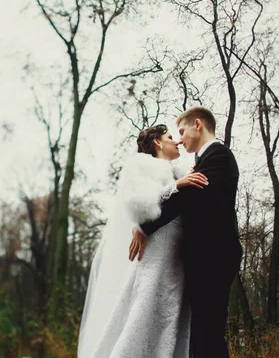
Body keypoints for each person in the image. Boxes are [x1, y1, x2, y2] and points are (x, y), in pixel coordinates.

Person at [78, 124, 208, 358]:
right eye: (170, 137)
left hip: (178, 253)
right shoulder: (141, 165)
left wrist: (182, 182)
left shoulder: (178, 172)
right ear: (158, 142)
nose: (177, 141)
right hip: (156, 248)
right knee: (143, 310)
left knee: (170, 315)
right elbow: (138, 205)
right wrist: (175, 187)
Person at [129, 107, 243, 358]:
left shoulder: (218, 156)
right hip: (202, 260)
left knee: (208, 334)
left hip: (214, 258)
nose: (179, 138)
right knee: (202, 334)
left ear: (198, 125)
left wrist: (144, 227)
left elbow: (186, 197)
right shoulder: (202, 162)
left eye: (181, 131)